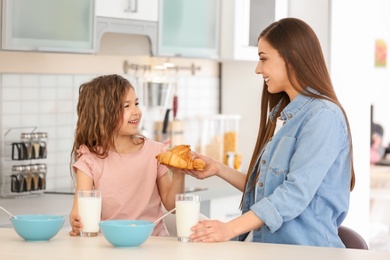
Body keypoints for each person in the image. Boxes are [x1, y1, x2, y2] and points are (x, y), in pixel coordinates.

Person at [183, 18, 355, 247]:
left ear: (291, 58)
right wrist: (218, 168)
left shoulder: (323, 116)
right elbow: (268, 189)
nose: (258, 69)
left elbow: (293, 194)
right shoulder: (286, 117)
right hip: (272, 250)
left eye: (263, 59)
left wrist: (228, 229)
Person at [68, 74, 184, 237]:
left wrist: (179, 175)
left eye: (136, 104)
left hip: (153, 244)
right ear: (102, 114)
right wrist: (76, 221)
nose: (136, 111)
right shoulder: (90, 160)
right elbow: (78, 211)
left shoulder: (155, 153)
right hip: (110, 243)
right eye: (126, 106)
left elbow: (172, 206)